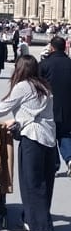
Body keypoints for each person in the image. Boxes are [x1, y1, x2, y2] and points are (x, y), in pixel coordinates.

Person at [0, 55, 58, 231]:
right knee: (45, 183)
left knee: (31, 183)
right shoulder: (44, 86)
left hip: (32, 138)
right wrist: (17, 120)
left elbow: (4, 106)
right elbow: (35, 112)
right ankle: (31, 219)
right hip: (49, 139)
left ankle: (41, 228)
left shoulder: (23, 86)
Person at [39, 36, 71, 177]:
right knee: (65, 134)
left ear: (51, 48)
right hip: (68, 107)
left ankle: (54, 164)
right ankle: (69, 159)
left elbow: (37, 85)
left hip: (49, 106)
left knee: (51, 136)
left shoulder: (45, 64)